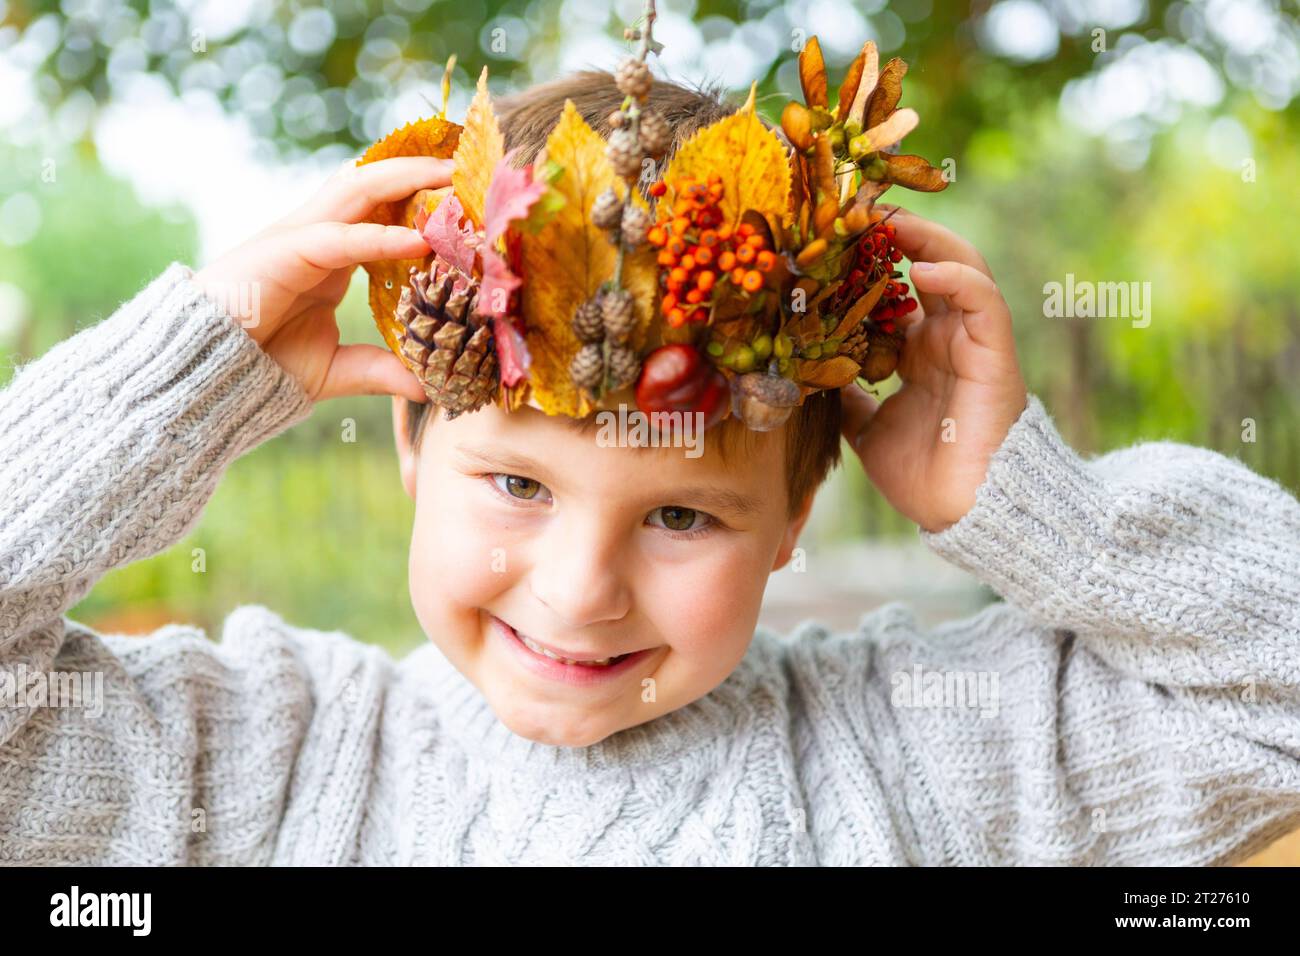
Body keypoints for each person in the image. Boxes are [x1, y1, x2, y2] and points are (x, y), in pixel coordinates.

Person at [1, 71, 1297, 866]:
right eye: (517, 485)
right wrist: (183, 380)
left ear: (798, 513)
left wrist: (1036, 511)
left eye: (681, 513)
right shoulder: (261, 759)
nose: (578, 595)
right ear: (413, 440)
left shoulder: (937, 748)